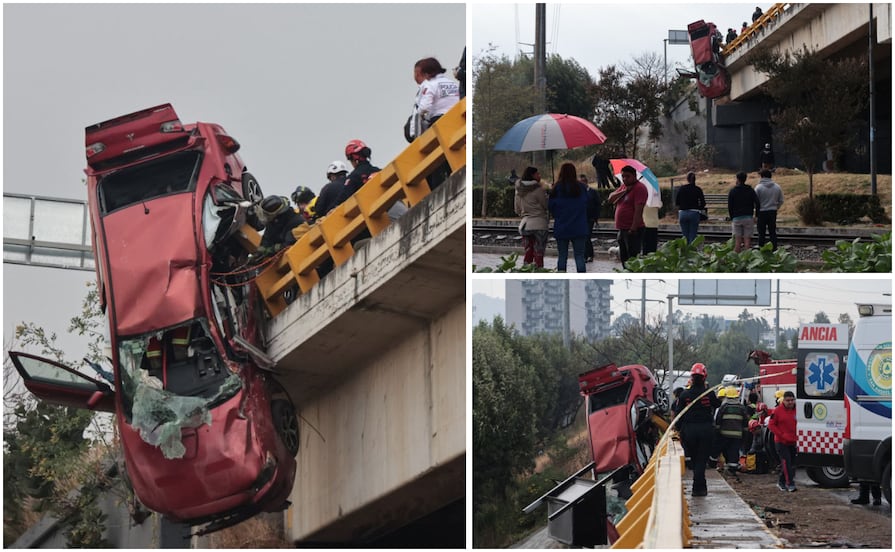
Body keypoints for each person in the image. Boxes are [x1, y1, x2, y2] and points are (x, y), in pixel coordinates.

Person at [677, 362, 721, 497]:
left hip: (689, 431)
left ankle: (700, 486)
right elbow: (717, 404)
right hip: (705, 430)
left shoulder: (684, 395)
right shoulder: (709, 393)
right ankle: (699, 487)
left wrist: (680, 430)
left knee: (696, 459)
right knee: (702, 459)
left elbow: (679, 414)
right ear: (704, 377)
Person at [407, 57, 460, 143]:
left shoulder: (430, 85)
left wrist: (414, 133)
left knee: (412, 121)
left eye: (417, 74)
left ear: (426, 74)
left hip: (439, 122)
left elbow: (424, 108)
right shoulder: (453, 84)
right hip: (457, 120)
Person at [548, 163, 589, 273]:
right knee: (579, 256)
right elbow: (587, 203)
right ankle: (582, 279)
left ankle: (561, 277)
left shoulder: (557, 188)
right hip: (579, 226)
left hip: (562, 226)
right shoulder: (581, 187)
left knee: (562, 256)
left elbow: (551, 207)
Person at [609, 165, 647, 269]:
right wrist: (624, 191)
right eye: (623, 176)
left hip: (632, 229)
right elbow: (611, 198)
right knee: (624, 257)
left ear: (634, 176)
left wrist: (633, 228)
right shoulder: (624, 187)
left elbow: (638, 210)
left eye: (627, 176)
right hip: (622, 229)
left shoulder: (640, 188)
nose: (625, 179)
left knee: (632, 258)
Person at [514, 166, 549, 268]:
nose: (539, 175)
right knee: (539, 253)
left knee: (528, 252)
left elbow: (517, 209)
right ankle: (538, 272)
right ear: (532, 175)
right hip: (540, 225)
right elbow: (545, 205)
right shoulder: (538, 189)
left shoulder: (518, 190)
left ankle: (526, 272)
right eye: (537, 174)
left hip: (525, 225)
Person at [764, 390, 798, 492]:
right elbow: (771, 425)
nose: (790, 402)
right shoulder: (777, 411)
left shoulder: (798, 410)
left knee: (792, 464)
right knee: (786, 462)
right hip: (781, 442)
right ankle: (790, 484)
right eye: (788, 400)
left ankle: (781, 482)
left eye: (792, 400)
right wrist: (782, 435)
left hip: (793, 441)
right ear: (783, 400)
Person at [715, 386, 749, 475]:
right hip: (737, 436)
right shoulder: (741, 408)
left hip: (724, 435)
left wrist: (717, 432)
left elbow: (718, 420)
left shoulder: (724, 407)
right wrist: (744, 435)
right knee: (734, 452)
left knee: (724, 451)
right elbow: (745, 422)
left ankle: (727, 466)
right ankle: (732, 469)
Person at [727, 171, 760, 252]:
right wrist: (756, 215)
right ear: (745, 179)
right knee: (747, 242)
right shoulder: (750, 190)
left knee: (737, 242)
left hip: (737, 218)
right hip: (748, 217)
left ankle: (736, 261)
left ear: (737, 179)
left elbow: (730, 206)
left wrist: (732, 217)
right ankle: (747, 260)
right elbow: (757, 203)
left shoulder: (733, 191)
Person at [755, 169, 784, 250]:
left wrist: (756, 211)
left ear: (762, 176)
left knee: (761, 232)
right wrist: (776, 207)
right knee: (772, 231)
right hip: (772, 211)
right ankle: (774, 248)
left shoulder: (758, 187)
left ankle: (761, 247)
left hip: (761, 212)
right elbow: (781, 200)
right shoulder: (777, 187)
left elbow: (755, 201)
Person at [675, 171, 706, 244]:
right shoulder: (698, 189)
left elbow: (677, 202)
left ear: (687, 179)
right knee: (693, 235)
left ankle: (685, 251)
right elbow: (703, 203)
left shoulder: (682, 188)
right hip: (694, 213)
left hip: (683, 213)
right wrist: (698, 208)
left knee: (685, 236)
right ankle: (692, 251)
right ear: (695, 179)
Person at [584, 182, 601, 262]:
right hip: (581, 218)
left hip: (590, 218)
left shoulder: (592, 192)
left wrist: (595, 217)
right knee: (583, 237)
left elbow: (597, 204)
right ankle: (585, 255)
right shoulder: (579, 192)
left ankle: (589, 255)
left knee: (587, 236)